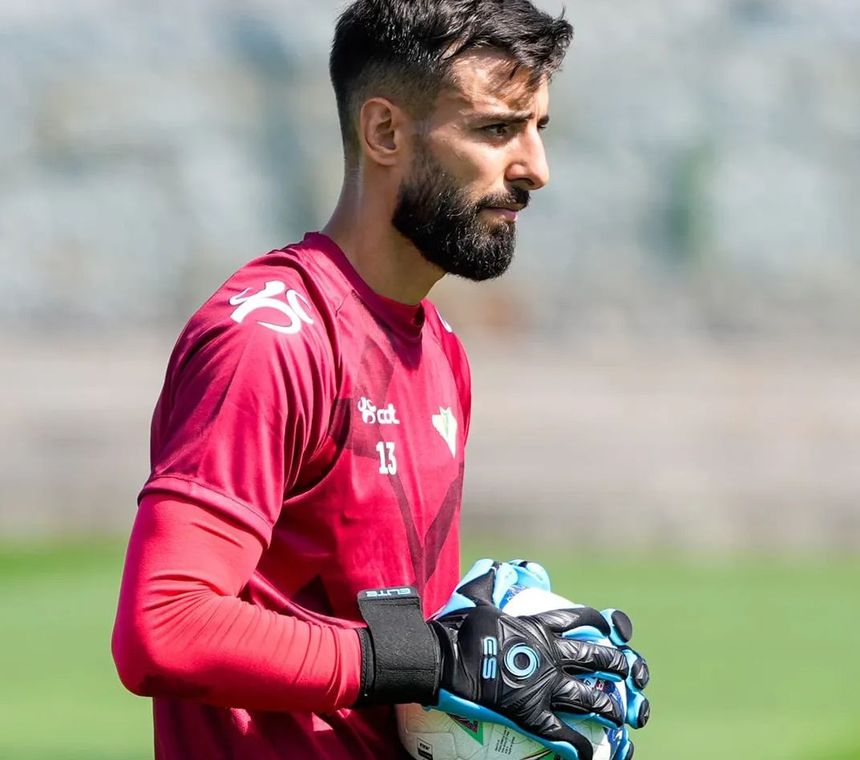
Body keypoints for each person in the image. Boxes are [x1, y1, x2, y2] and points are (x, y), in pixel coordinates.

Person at [112, 2, 643, 758]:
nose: (535, 169)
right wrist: (426, 659)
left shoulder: (440, 349)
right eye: (497, 129)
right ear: (385, 132)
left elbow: (402, 659)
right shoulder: (268, 340)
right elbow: (162, 627)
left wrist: (487, 665)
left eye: (538, 129)